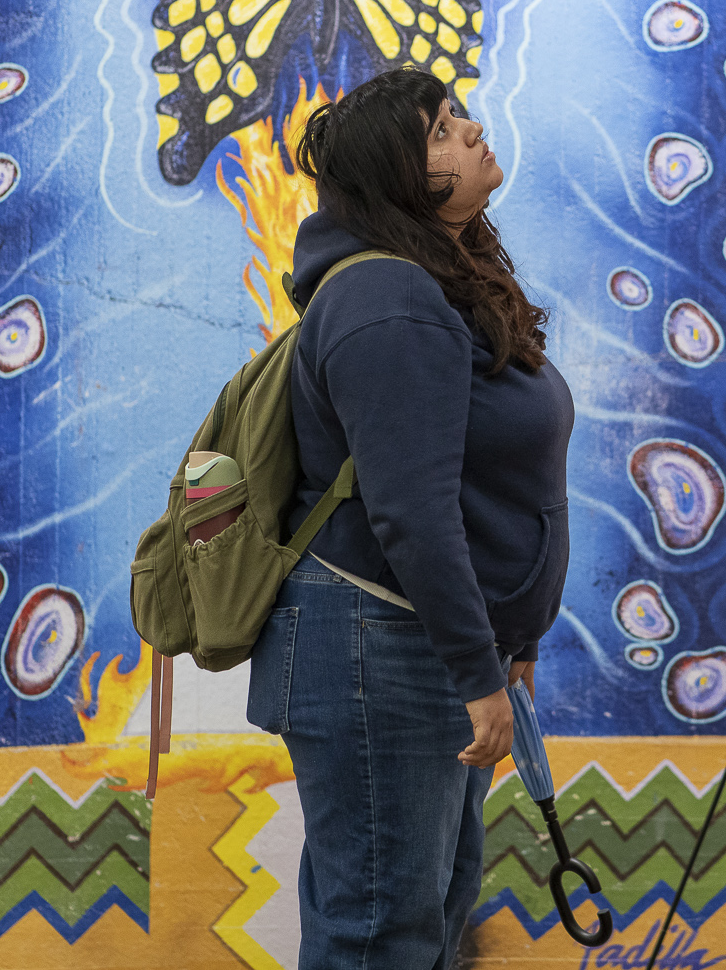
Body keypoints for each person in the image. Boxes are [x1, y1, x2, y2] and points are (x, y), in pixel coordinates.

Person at [245, 68, 574, 968]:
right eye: (438, 130)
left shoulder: (438, 286)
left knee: (420, 921)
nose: (468, 132)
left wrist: (511, 645)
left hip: (414, 646)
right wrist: (480, 671)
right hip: (377, 649)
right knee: (380, 935)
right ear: (397, 179)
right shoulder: (386, 300)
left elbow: (477, 491)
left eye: (457, 117)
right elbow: (412, 511)